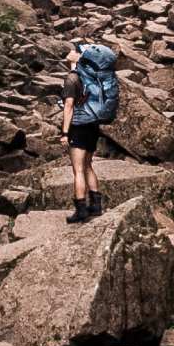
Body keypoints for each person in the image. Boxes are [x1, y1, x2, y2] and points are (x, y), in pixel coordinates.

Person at [59, 41, 120, 223]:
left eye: (73, 50)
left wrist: (64, 132)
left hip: (78, 127)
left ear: (80, 56)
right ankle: (96, 205)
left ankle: (81, 209)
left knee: (78, 170)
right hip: (93, 125)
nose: (69, 51)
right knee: (88, 165)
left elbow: (69, 107)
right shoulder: (90, 77)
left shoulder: (72, 79)